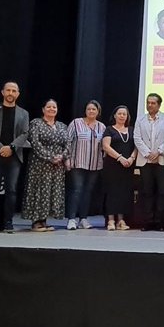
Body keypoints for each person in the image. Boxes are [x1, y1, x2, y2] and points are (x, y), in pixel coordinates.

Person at [0, 81, 29, 233]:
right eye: (8, 90)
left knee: (12, 190)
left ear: (18, 94)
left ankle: (8, 223)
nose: (10, 93)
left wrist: (12, 147)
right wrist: (0, 148)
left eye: (14, 91)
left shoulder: (23, 113)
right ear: (2, 92)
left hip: (14, 156)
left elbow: (25, 133)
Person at [22, 99, 69, 232]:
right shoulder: (36, 123)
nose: (52, 109)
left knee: (51, 192)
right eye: (49, 107)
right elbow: (35, 143)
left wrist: (62, 156)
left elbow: (68, 144)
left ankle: (44, 220)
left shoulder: (62, 126)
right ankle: (36, 222)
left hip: (57, 166)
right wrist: (50, 157)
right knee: (39, 191)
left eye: (54, 107)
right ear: (43, 109)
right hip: (40, 164)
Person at [134, 92, 164, 231]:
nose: (150, 105)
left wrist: (159, 151)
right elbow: (137, 138)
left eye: (153, 103)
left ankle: (160, 222)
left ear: (159, 105)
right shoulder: (140, 119)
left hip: (161, 160)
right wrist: (148, 153)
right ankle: (148, 221)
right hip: (145, 160)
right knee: (147, 192)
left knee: (163, 192)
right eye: (148, 102)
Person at [65, 100, 105, 230]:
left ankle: (83, 219)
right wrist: (67, 158)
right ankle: (71, 219)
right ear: (85, 110)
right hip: (78, 163)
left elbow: (104, 146)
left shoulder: (102, 127)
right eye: (89, 109)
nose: (91, 111)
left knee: (88, 192)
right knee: (77, 190)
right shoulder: (76, 123)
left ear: (98, 112)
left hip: (95, 164)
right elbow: (67, 141)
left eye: (94, 109)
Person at [102, 105, 137, 231]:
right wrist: (120, 158)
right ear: (115, 115)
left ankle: (121, 220)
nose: (122, 116)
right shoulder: (109, 129)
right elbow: (106, 146)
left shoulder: (132, 130)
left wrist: (131, 158)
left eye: (124, 114)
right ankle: (111, 220)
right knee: (112, 192)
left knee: (124, 193)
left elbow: (136, 146)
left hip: (128, 165)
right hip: (113, 165)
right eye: (120, 113)